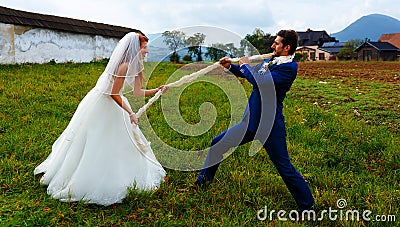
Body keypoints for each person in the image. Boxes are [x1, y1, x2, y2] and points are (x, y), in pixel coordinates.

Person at [34, 32, 167, 206]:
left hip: (117, 102)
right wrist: (130, 112)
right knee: (96, 140)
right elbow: (113, 93)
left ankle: (123, 173)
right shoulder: (124, 66)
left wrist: (157, 90)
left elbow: (137, 92)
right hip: (103, 103)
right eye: (144, 47)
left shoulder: (136, 66)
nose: (146, 51)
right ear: (134, 48)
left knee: (121, 141)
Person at [195, 30, 314, 211]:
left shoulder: (289, 68)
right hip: (249, 123)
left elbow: (261, 81)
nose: (272, 46)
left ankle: (308, 206)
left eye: (276, 43)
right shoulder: (271, 60)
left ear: (287, 47)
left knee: (284, 167)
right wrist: (231, 67)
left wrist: (245, 66)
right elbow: (252, 74)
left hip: (269, 127)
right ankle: (203, 182)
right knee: (217, 143)